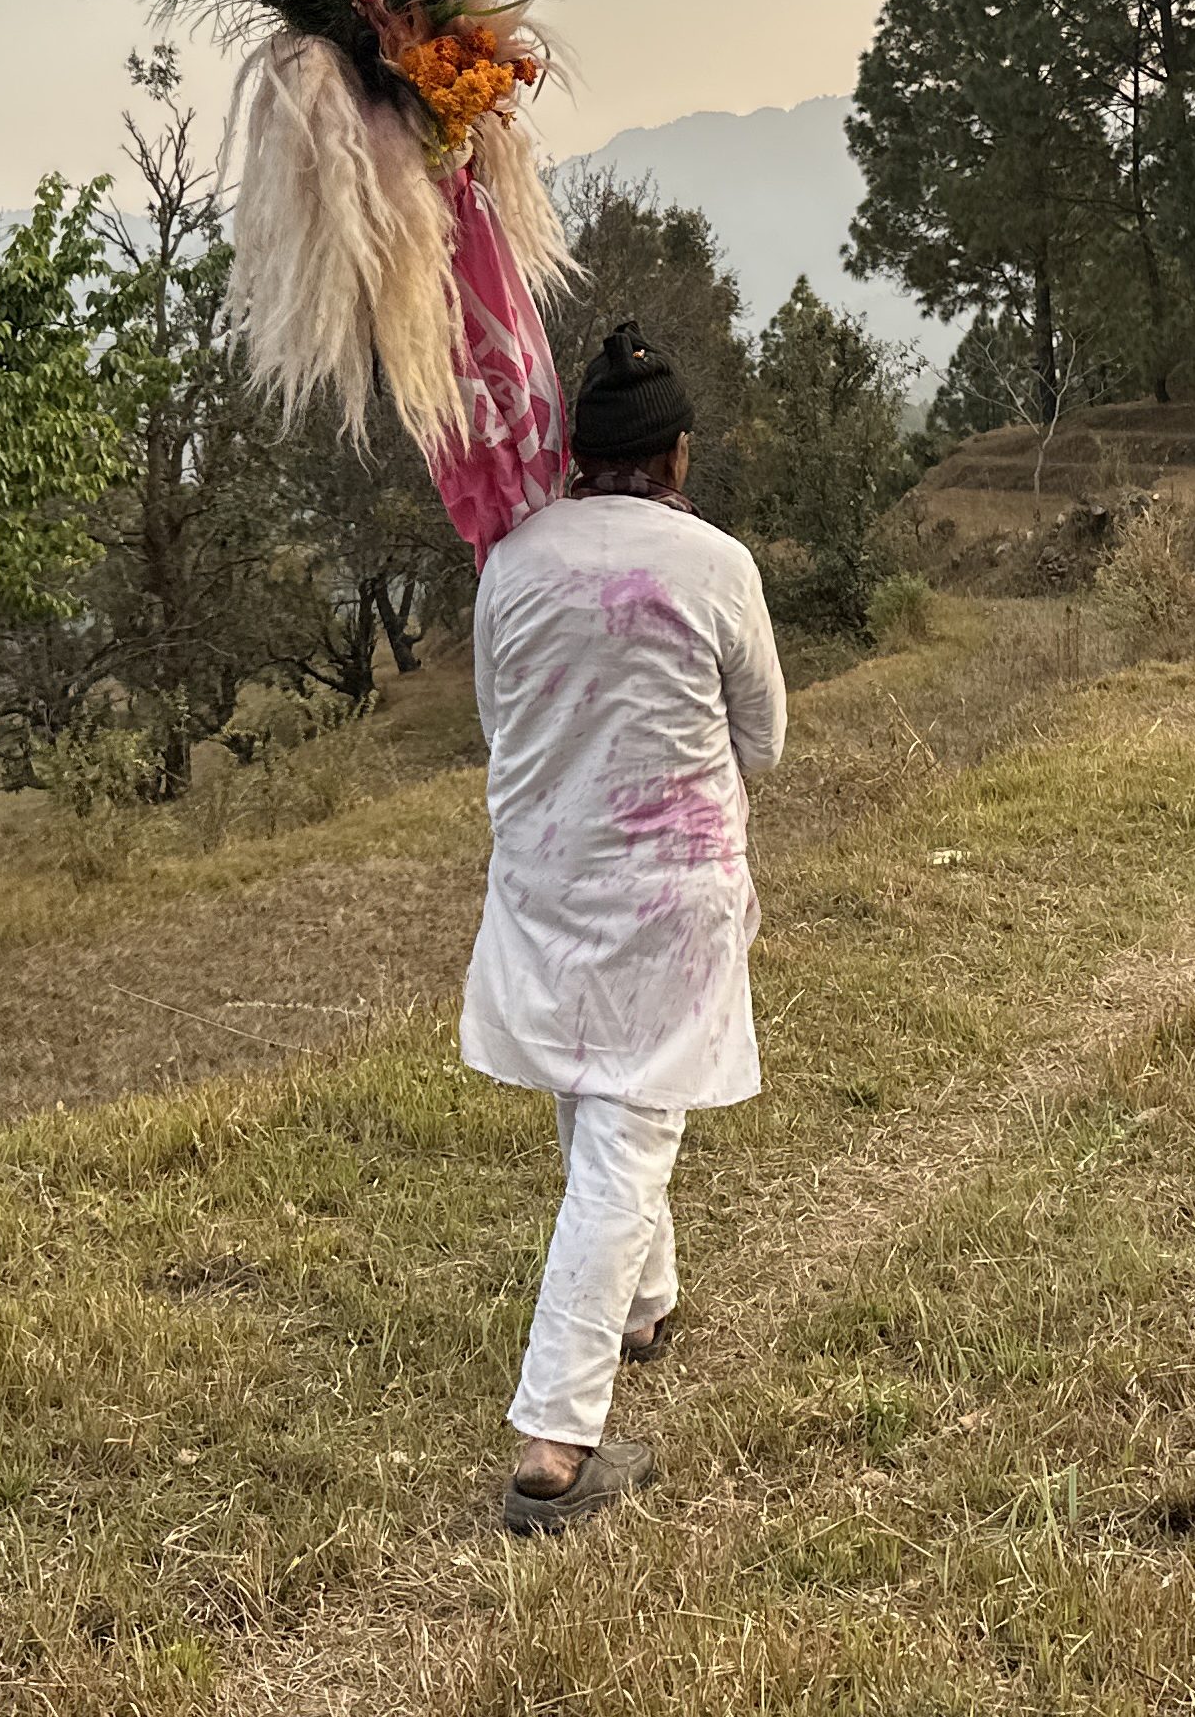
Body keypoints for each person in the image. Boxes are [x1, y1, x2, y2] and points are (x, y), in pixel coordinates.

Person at [461, 320, 787, 1535]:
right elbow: (763, 740)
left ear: (580, 453)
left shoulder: (511, 561)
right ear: (678, 457)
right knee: (629, 1138)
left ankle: (645, 1305)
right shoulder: (717, 567)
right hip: (671, 892)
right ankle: (556, 1437)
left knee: (593, 1091)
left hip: (548, 879)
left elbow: (500, 723)